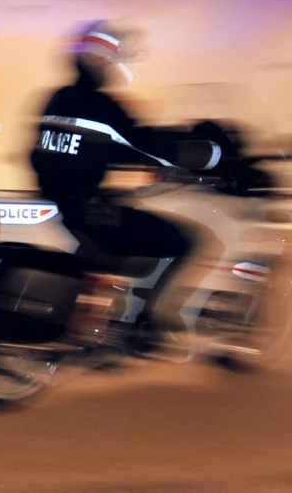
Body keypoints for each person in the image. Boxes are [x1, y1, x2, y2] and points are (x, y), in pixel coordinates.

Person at [29, 19, 225, 349]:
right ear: (102, 62)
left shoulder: (55, 100)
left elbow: (62, 152)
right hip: (89, 214)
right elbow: (145, 143)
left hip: (57, 203)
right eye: (111, 61)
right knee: (187, 239)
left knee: (128, 218)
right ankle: (145, 322)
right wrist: (207, 153)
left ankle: (101, 313)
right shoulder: (102, 107)